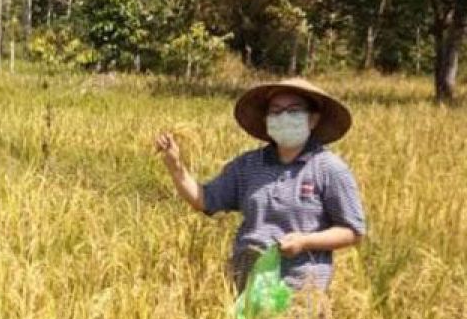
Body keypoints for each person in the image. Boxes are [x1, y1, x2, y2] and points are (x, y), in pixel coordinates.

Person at [154, 78, 366, 299]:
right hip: (247, 284)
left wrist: (304, 242)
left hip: (299, 290)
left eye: (293, 110)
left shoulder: (328, 168)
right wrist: (175, 167)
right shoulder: (249, 165)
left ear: (313, 119)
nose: (283, 117)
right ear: (267, 121)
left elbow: (353, 231)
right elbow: (204, 199)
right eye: (275, 112)